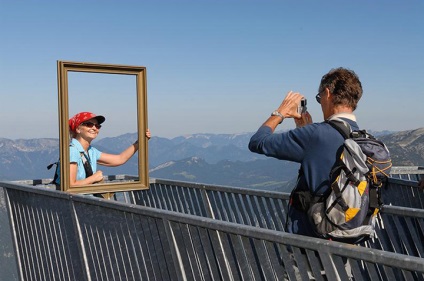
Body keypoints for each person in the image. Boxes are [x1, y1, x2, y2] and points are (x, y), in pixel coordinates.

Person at [248, 67, 363, 238]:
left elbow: (258, 142)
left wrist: (279, 113)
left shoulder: (316, 135)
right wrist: (305, 130)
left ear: (328, 93)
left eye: (320, 98)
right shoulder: (362, 138)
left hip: (310, 239)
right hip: (347, 235)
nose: (321, 102)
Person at [55, 111, 151, 187]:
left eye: (97, 126)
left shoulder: (91, 151)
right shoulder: (72, 151)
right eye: (89, 124)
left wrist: (140, 142)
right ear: (78, 129)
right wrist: (93, 178)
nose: (94, 128)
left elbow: (120, 159)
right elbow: (70, 185)